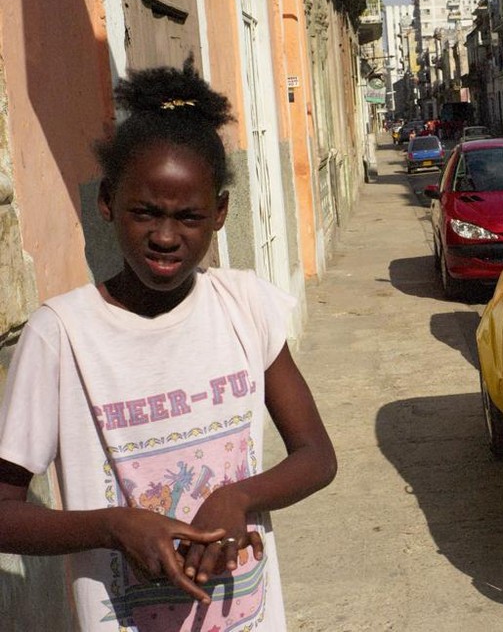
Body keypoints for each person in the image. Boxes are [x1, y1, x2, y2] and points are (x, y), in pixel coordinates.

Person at [0, 59, 337, 630]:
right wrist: (112, 526)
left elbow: (317, 457)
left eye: (189, 217)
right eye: (145, 213)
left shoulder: (246, 307)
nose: (164, 236)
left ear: (221, 216)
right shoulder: (61, 335)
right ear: (108, 202)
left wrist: (239, 498)